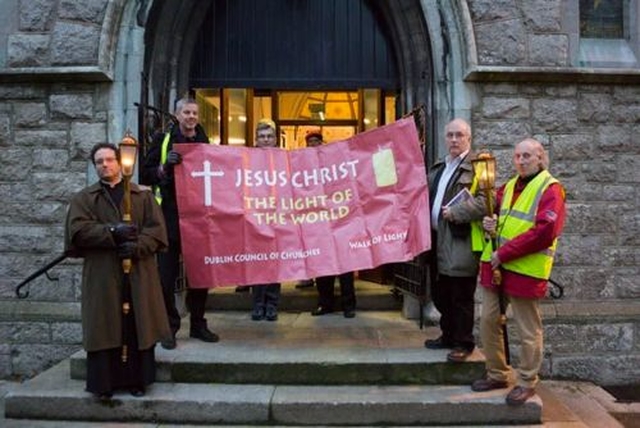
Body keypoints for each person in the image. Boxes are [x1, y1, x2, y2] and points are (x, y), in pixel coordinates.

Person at [65, 142, 171, 399]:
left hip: (137, 274)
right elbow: (78, 232)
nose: (105, 165)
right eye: (99, 162)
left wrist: (137, 246)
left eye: (109, 160)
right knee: (105, 326)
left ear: (118, 162)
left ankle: (137, 380)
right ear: (95, 167)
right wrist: (112, 232)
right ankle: (104, 385)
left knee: (136, 324)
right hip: (103, 275)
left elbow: (157, 232)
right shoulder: (85, 199)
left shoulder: (141, 196)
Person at [471, 138, 566, 406]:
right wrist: (489, 222)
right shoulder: (509, 185)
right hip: (497, 267)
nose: (521, 160)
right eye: (517, 156)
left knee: (527, 329)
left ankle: (526, 382)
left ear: (540, 158)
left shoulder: (551, 188)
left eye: (527, 156)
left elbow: (545, 232)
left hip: (524, 269)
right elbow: (498, 218)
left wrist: (504, 253)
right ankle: (498, 373)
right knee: (489, 320)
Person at [141, 97, 219, 349]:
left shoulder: (206, 143)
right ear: (177, 115)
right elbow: (145, 173)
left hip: (199, 219)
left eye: (195, 112)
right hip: (170, 218)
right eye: (186, 112)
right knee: (166, 277)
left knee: (200, 274)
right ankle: (170, 327)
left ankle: (198, 324)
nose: (191, 116)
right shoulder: (163, 140)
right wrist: (164, 168)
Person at [424, 118, 486, 363]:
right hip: (436, 239)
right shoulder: (440, 166)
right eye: (450, 135)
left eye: (459, 135)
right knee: (440, 292)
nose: (454, 139)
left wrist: (457, 213)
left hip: (459, 240)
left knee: (460, 293)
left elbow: (487, 202)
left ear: (468, 138)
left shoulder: (479, 166)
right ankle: (448, 335)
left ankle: (464, 342)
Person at [250, 119, 282, 321]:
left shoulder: (283, 158)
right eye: (262, 136)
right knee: (257, 263)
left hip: (278, 216)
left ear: (275, 139)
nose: (266, 139)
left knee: (275, 263)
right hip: (255, 216)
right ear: (256, 139)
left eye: (269, 136)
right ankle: (257, 303)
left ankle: (272, 304)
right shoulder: (248, 158)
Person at [295, 128, 324, 290]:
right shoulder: (301, 161)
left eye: (316, 141)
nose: (313, 144)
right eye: (310, 142)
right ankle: (306, 276)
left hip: (324, 208)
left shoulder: (329, 159)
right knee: (307, 243)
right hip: (307, 208)